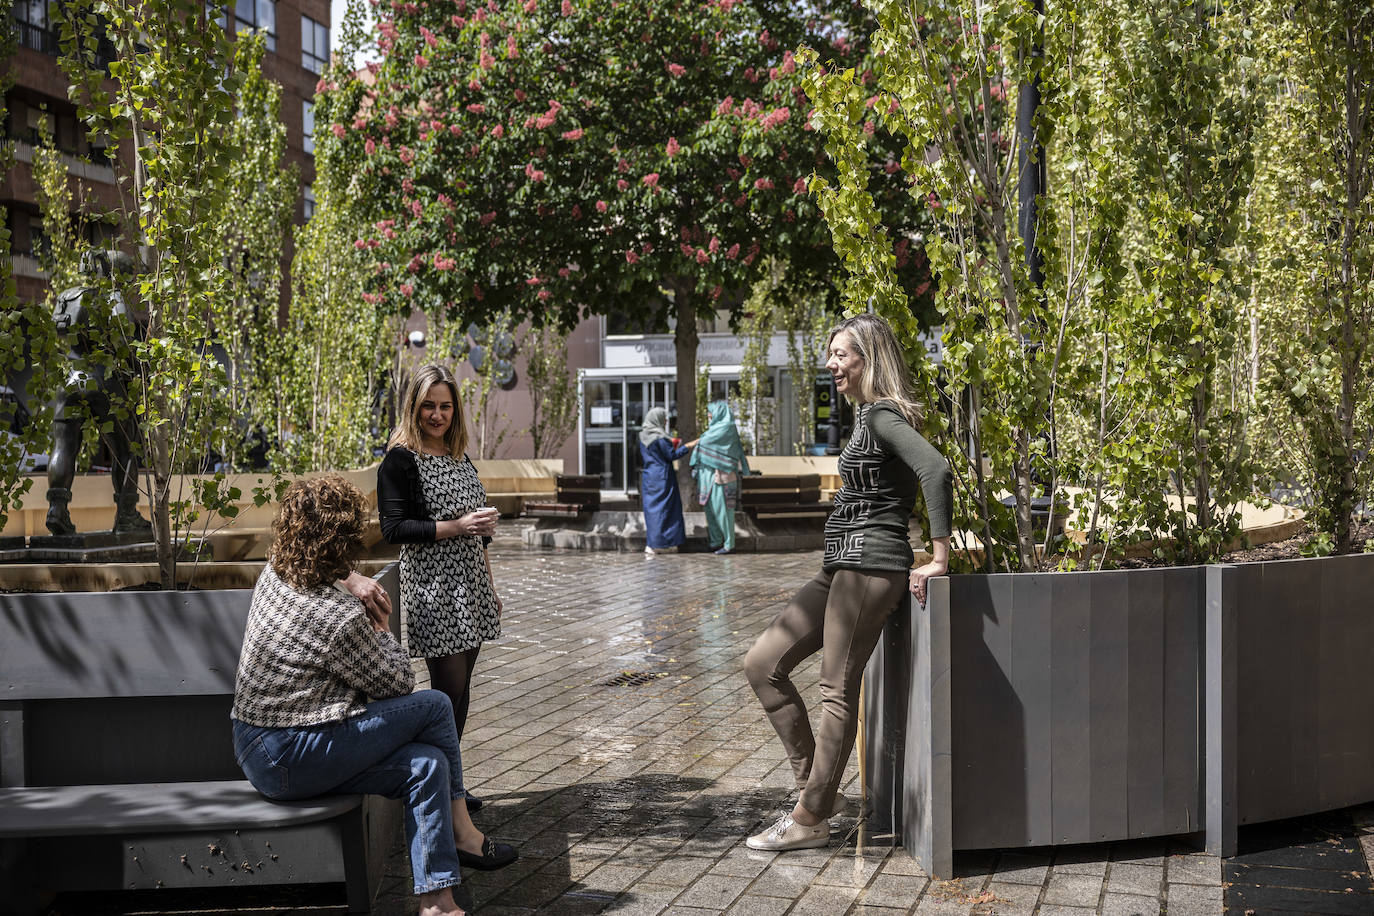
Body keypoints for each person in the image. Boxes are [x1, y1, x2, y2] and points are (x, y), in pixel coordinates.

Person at [231, 476, 517, 916]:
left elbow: (318, 560)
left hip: (253, 743)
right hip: (291, 753)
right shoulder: (337, 616)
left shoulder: (277, 568)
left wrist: (347, 577)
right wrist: (382, 629)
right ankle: (463, 832)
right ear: (343, 539)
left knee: (427, 765)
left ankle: (437, 901)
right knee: (436, 705)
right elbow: (398, 683)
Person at [742, 313, 953, 852]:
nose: (831, 363)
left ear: (870, 358)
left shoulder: (883, 416)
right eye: (831, 354)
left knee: (836, 689)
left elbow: (937, 470)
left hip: (870, 565)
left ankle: (810, 818)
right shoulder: (864, 418)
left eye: (841, 354)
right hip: (840, 563)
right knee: (762, 663)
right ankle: (822, 791)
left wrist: (938, 557)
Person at [378, 364, 502, 813]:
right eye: (428, 405)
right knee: (445, 694)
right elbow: (394, 528)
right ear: (413, 406)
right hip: (435, 590)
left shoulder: (458, 456)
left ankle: (450, 781)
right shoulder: (399, 459)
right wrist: (458, 525)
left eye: (445, 406)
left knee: (463, 690)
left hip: (471, 586)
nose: (437, 414)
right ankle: (436, 789)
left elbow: (478, 532)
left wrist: (489, 583)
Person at [690, 400, 750, 555]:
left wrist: (698, 444)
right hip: (708, 477)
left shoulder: (726, 428)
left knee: (724, 511)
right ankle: (715, 541)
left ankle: (729, 544)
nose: (708, 415)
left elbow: (705, 443)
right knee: (710, 510)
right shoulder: (714, 428)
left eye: (710, 412)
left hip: (723, 478)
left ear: (719, 412)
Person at [638, 406, 698, 556]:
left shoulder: (642, 436)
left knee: (652, 512)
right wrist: (688, 446)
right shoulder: (660, 437)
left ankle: (652, 544)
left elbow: (655, 453)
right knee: (666, 510)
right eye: (663, 418)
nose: (665, 421)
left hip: (649, 478)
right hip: (663, 478)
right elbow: (671, 455)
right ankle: (665, 544)